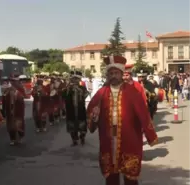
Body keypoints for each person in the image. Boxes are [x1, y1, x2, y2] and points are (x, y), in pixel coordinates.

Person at [87, 56, 158, 185]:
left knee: (130, 177)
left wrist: (150, 135)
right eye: (111, 73)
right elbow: (91, 111)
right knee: (111, 176)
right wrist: (94, 116)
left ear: (121, 74)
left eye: (116, 73)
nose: (113, 76)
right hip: (107, 138)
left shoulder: (132, 92)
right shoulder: (101, 93)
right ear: (108, 75)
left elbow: (144, 114)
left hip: (129, 138)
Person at [62, 71, 88, 146]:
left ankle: (82, 137)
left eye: (76, 79)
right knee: (72, 126)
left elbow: (86, 95)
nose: (75, 80)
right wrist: (68, 89)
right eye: (73, 79)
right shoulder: (67, 88)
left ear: (79, 80)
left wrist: (79, 91)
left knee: (82, 126)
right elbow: (63, 96)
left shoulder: (82, 88)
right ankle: (74, 140)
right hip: (71, 110)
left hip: (80, 110)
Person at [2, 74, 25, 145]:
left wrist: (16, 93)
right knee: (10, 125)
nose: (13, 82)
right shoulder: (7, 89)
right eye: (12, 81)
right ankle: (12, 139)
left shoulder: (20, 88)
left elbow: (23, 97)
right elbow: (4, 99)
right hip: (10, 110)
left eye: (14, 81)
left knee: (19, 124)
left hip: (18, 110)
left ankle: (20, 137)